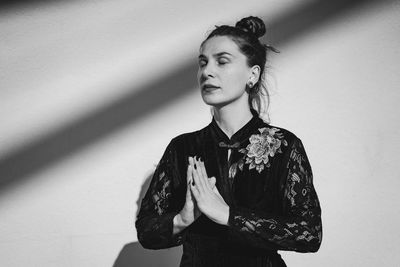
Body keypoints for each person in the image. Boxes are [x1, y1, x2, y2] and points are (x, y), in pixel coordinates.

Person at [135, 16, 322, 267]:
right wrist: (182, 218)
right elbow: (146, 232)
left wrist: (229, 215)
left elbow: (309, 233)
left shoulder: (285, 145)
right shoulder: (183, 148)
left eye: (222, 61)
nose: (207, 71)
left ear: (252, 74)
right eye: (203, 63)